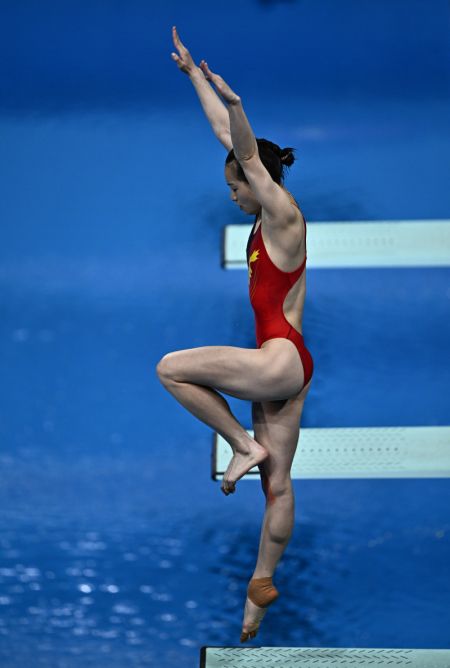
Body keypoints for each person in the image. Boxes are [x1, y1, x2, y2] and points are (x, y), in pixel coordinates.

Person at [157, 26, 314, 644]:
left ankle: (240, 445)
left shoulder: (283, 216)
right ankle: (259, 592)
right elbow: (233, 146)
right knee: (278, 487)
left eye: (234, 189)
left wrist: (239, 104)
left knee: (172, 368)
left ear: (260, 185)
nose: (231, 196)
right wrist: (195, 76)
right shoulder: (263, 200)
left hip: (278, 359)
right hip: (291, 365)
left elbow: (246, 153)